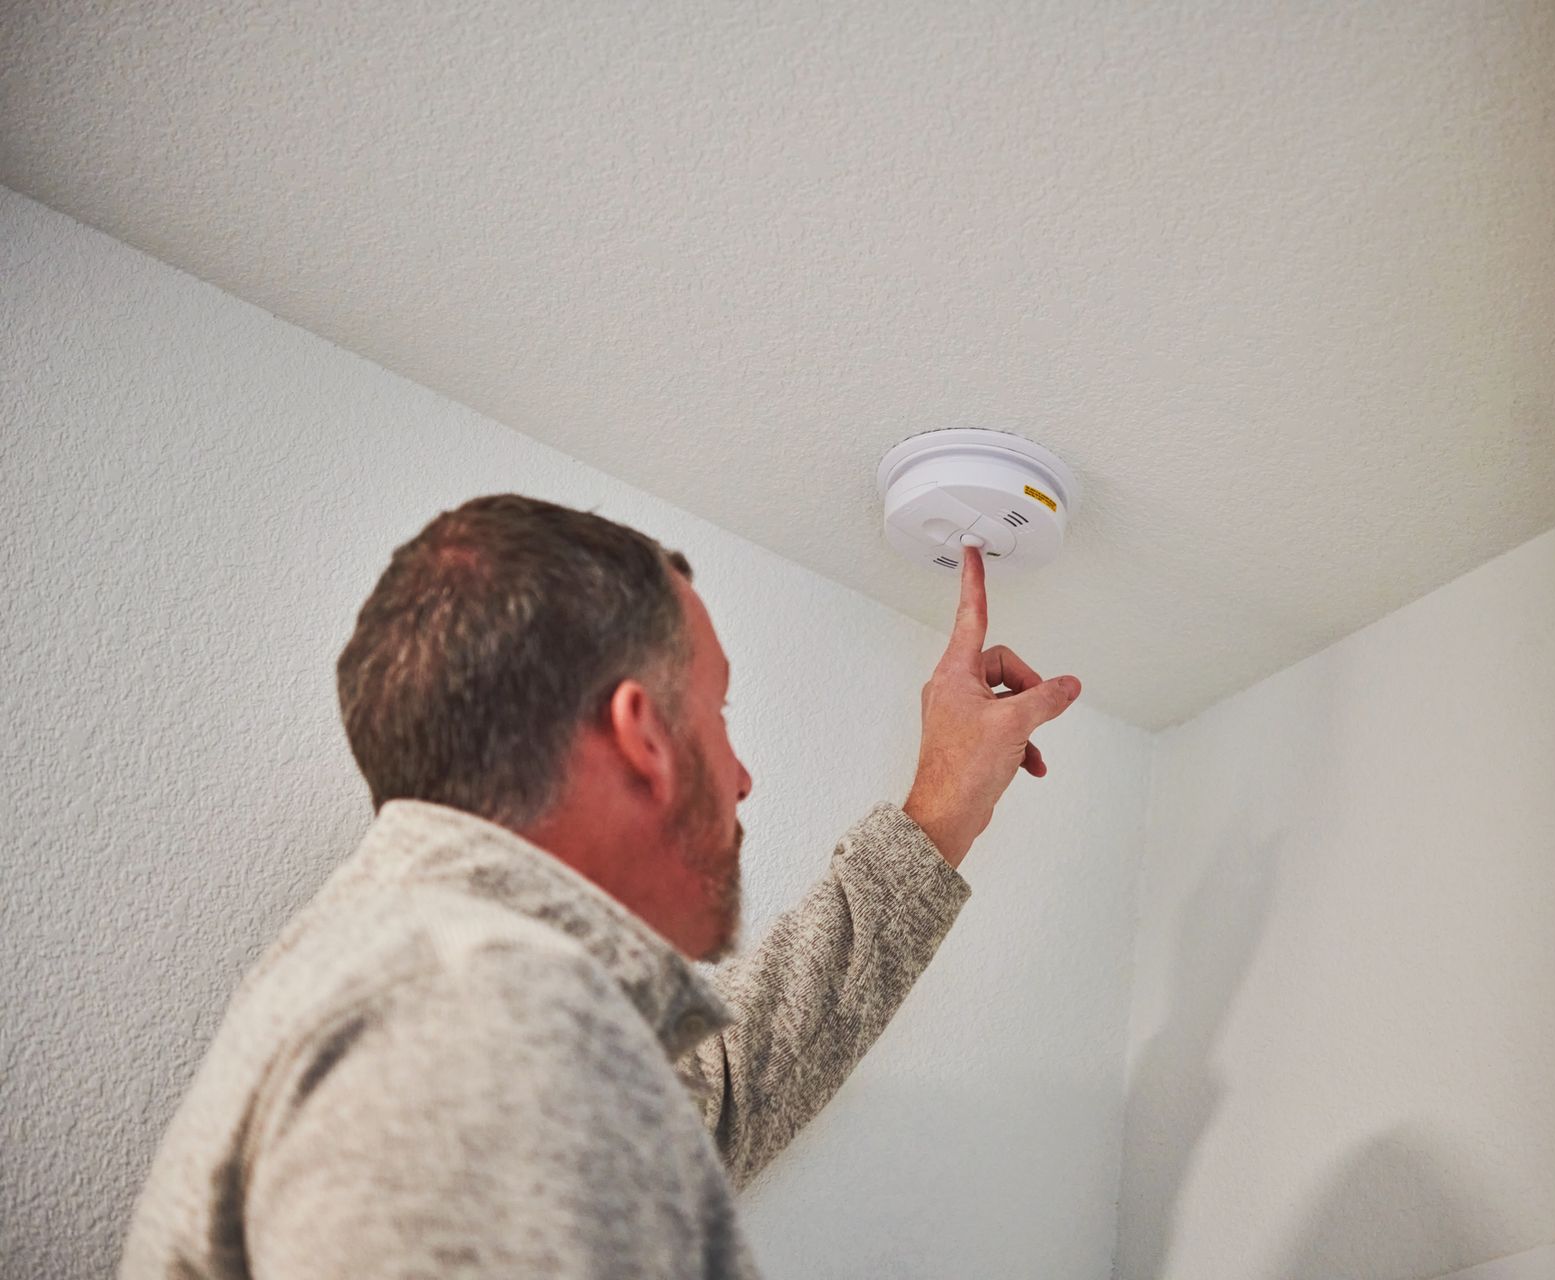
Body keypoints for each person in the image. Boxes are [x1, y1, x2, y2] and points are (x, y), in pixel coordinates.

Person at [119, 494, 1082, 1279]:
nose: (743, 777)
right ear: (641, 736)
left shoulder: (431, 987)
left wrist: (939, 814)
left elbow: (709, 1102)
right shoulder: (464, 1026)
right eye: (719, 711)